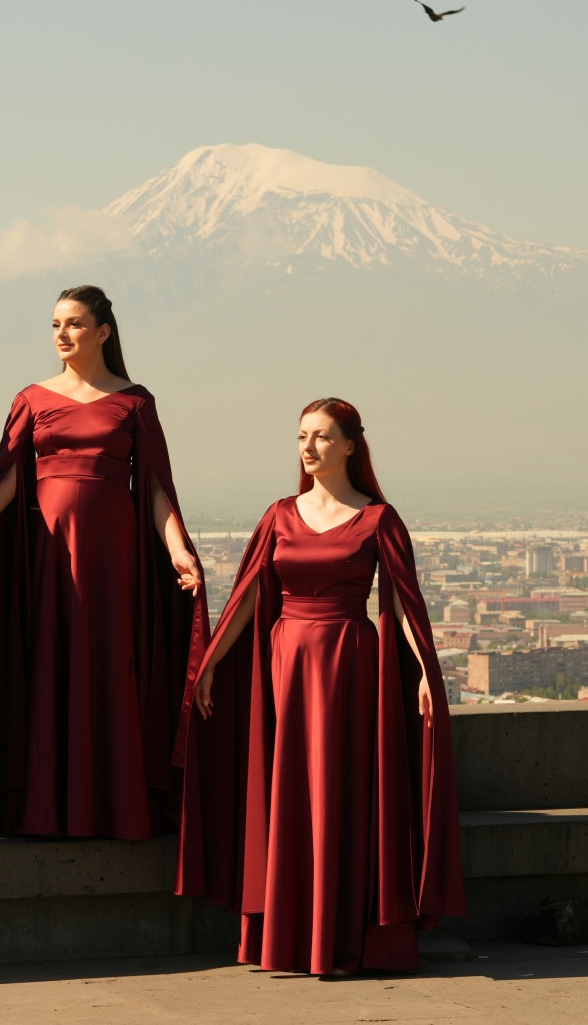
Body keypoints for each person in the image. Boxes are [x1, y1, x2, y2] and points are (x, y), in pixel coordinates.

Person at [175, 398, 463, 974]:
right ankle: (287, 936)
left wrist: (426, 672)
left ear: (352, 445)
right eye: (302, 436)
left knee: (342, 794)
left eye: (322, 437)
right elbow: (249, 595)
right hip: (286, 665)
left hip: (351, 667)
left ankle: (343, 937)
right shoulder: (279, 514)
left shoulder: (380, 518)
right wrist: (207, 665)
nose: (308, 448)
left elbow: (404, 606)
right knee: (290, 795)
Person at [0, 285, 209, 839]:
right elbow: (8, 475)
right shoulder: (31, 398)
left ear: (103, 332)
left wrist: (177, 550)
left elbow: (153, 487)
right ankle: (50, 806)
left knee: (110, 664)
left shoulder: (135, 401)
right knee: (50, 662)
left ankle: (117, 804)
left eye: (74, 324)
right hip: (49, 554)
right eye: (54, 325)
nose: (62, 335)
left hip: (114, 557)